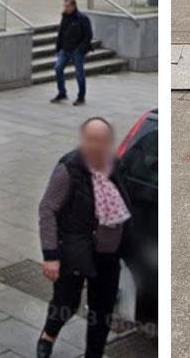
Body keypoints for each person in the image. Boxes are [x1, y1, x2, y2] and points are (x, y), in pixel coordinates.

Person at [37, 117, 133, 358]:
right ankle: (49, 334)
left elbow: (126, 204)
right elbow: (47, 208)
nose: (97, 145)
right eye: (92, 140)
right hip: (75, 250)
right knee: (66, 303)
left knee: (102, 313)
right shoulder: (69, 169)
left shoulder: (115, 165)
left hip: (108, 256)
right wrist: (50, 256)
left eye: (102, 140)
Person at [51, 0, 92, 105]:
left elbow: (88, 35)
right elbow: (61, 33)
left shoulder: (82, 18)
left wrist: (81, 49)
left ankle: (81, 97)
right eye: (64, 6)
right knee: (58, 68)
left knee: (79, 73)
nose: (65, 8)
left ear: (73, 6)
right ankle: (62, 93)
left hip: (76, 50)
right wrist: (58, 47)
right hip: (65, 49)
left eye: (67, 6)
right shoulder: (64, 17)